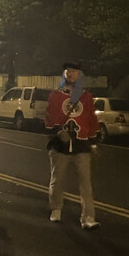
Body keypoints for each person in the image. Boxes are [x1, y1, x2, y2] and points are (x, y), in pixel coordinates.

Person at [44, 62, 100, 229]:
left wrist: (93, 141)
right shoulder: (55, 95)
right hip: (60, 146)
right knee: (57, 179)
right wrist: (57, 131)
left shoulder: (86, 97)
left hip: (81, 146)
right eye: (67, 70)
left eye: (74, 71)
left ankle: (88, 217)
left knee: (85, 184)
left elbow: (91, 119)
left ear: (80, 74)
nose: (70, 73)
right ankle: (56, 209)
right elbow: (49, 117)